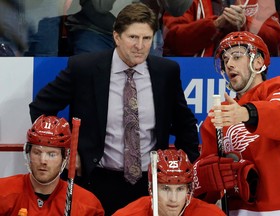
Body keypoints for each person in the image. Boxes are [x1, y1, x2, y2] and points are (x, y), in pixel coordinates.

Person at [29, 3, 200, 215]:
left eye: (146, 38)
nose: (140, 45)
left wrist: (181, 170)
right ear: (117, 37)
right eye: (133, 37)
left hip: (150, 185)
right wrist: (69, 154)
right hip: (97, 181)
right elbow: (41, 108)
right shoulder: (84, 68)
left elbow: (186, 126)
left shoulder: (167, 72)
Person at [192, 31, 280, 215]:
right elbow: (205, 181)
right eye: (225, 60)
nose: (229, 64)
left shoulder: (279, 88)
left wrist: (246, 113)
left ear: (258, 62)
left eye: (236, 56)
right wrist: (203, 178)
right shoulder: (219, 117)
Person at [0, 115, 104, 215]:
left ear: (65, 158)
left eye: (52, 154)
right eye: (37, 152)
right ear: (28, 153)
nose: (43, 161)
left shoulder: (87, 206)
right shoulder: (3, 192)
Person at [112, 149, 225, 216]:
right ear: (151, 188)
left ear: (188, 189)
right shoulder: (129, 214)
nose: (173, 199)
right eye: (165, 188)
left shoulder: (210, 214)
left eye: (180, 189)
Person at [65, 0, 193, 56]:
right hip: (95, 30)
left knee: (150, 94)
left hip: (145, 33)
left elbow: (178, 8)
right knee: (92, 93)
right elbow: (101, 6)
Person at [162, 0, 280, 57]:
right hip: (195, 75)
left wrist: (246, 22)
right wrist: (216, 24)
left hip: (246, 75)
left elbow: (275, 43)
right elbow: (173, 41)